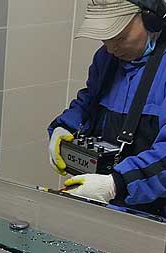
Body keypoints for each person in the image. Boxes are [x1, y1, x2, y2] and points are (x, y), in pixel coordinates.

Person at [48, 0, 166, 216]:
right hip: (111, 209)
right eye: (105, 38)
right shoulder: (106, 58)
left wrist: (116, 184)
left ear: (152, 20)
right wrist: (66, 126)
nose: (111, 48)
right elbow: (90, 102)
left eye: (119, 37)